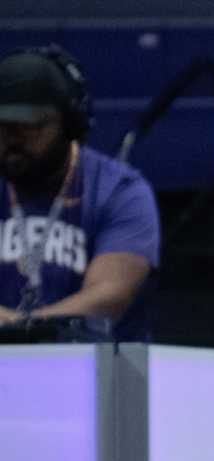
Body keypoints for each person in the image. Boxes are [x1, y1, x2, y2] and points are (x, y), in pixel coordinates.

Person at [0, 48, 159, 340]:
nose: (12, 139)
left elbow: (109, 296)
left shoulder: (120, 190)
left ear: (70, 124)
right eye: (3, 127)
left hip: (97, 372)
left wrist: (22, 330)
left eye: (29, 126)